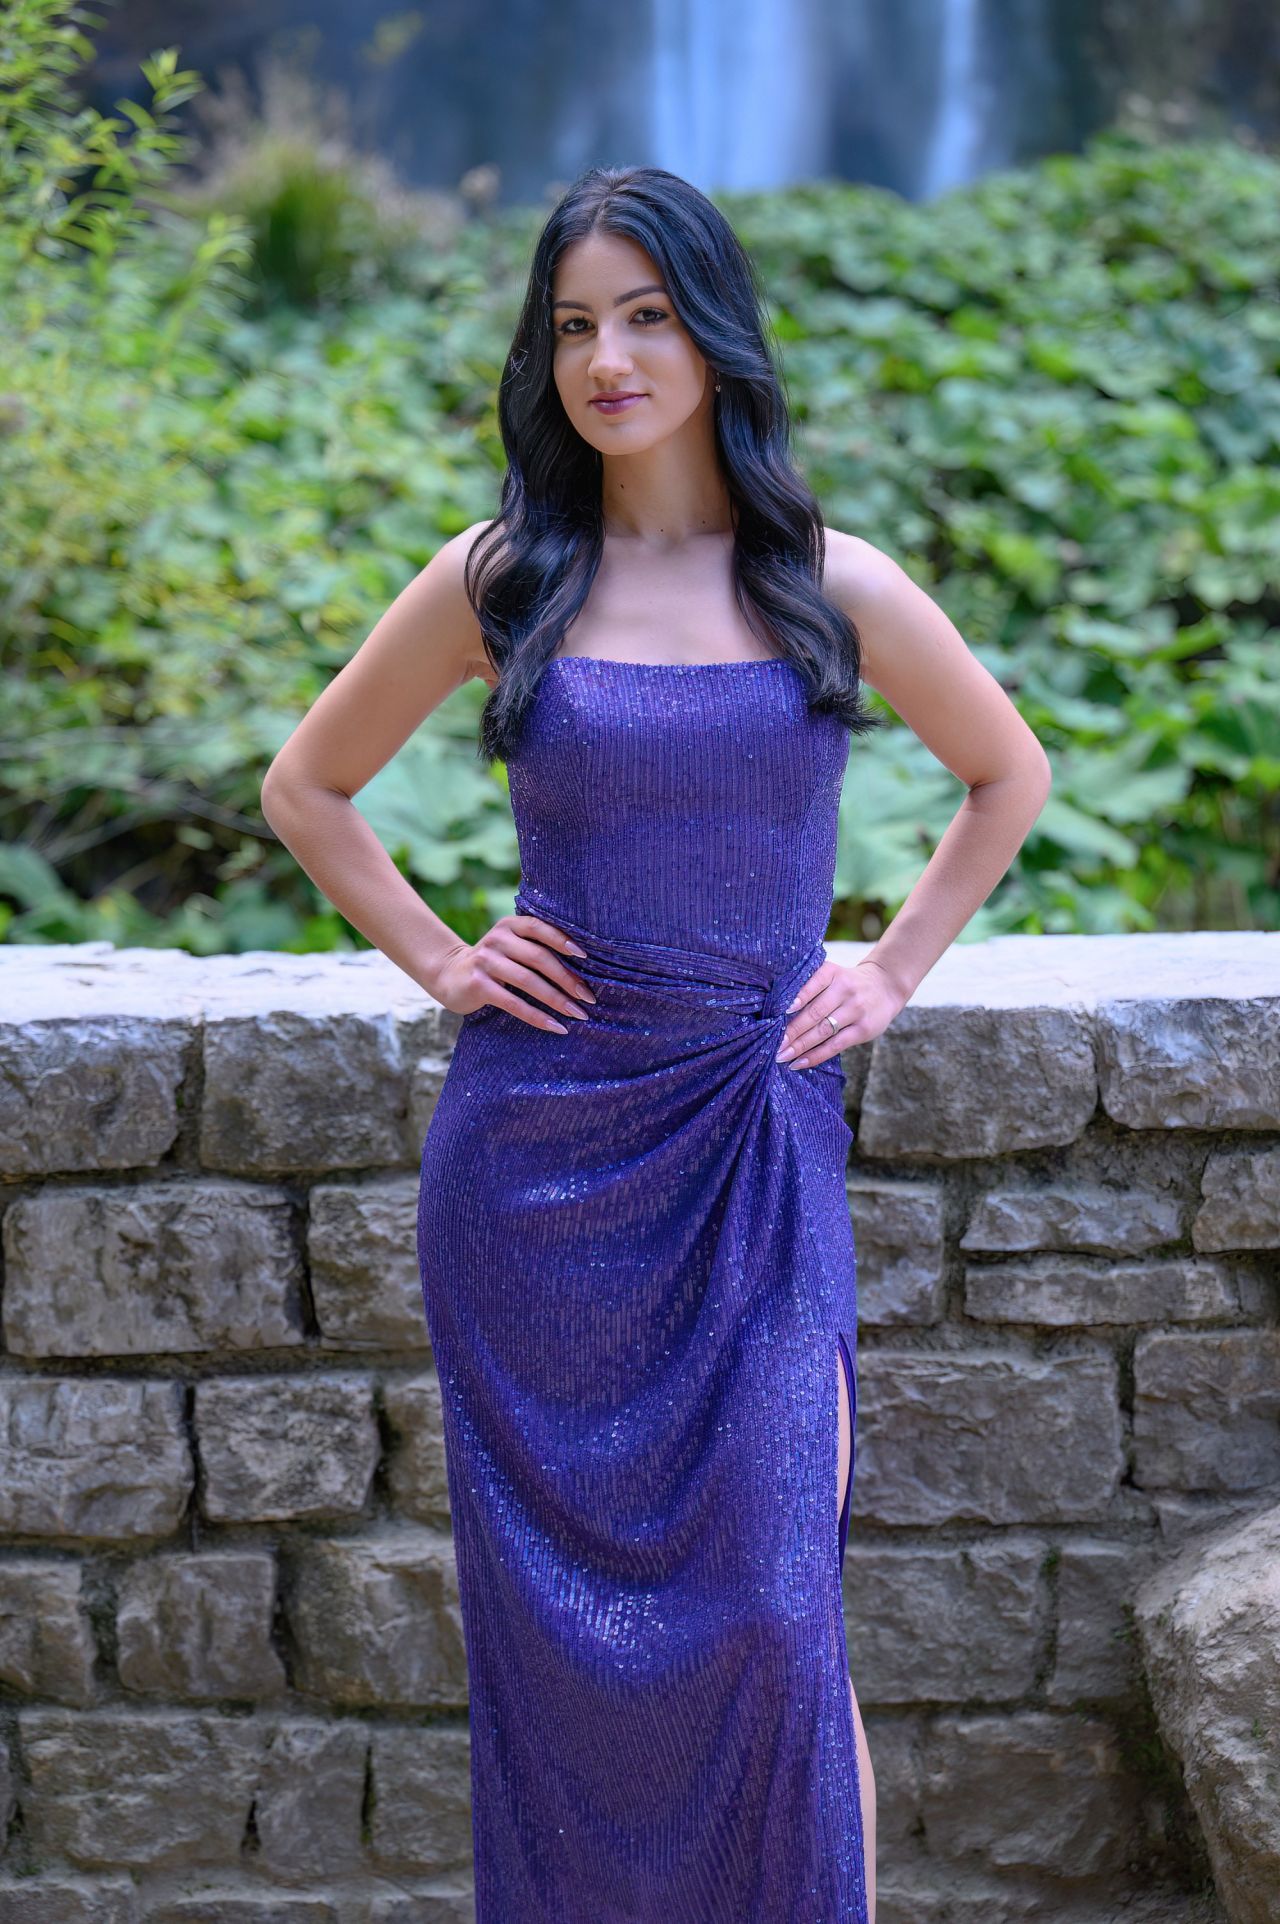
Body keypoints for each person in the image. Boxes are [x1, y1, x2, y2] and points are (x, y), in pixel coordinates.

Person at [261, 163, 1052, 1924]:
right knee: (557, 1657)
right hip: (536, 1172)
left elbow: (1008, 772)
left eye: (644, 316)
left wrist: (892, 971)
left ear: (713, 334)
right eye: (572, 326)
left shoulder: (832, 583)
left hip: (753, 1145)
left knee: (779, 1617)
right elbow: (306, 788)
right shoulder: (499, 579)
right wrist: (443, 958)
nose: (606, 359)